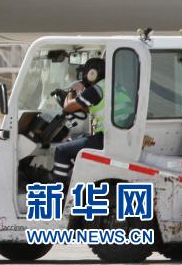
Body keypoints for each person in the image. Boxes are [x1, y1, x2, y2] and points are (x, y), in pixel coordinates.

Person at [51, 58, 129, 189]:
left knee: (61, 150)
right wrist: (79, 102)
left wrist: (72, 91)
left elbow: (68, 107)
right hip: (119, 137)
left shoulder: (97, 89)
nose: (85, 77)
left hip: (106, 139)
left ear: (92, 73)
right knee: (79, 139)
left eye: (86, 73)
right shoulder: (112, 85)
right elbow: (89, 108)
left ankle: (58, 192)